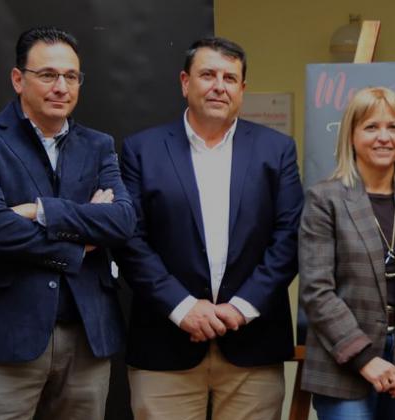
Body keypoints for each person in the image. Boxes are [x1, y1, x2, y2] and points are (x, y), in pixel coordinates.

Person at [0, 26, 135, 420]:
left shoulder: (98, 144)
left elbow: (120, 221)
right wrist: (79, 242)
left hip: (87, 335)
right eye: (47, 75)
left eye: (71, 76)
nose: (61, 87)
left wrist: (40, 211)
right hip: (4, 336)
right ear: (19, 80)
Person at [113, 36, 303, 420]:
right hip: (165, 346)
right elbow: (130, 240)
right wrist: (183, 308)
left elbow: (290, 239)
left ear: (242, 89)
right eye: (208, 75)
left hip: (252, 347)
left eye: (230, 78)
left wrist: (239, 308)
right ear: (185, 82)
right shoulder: (141, 150)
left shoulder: (276, 149)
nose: (219, 86)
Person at [299, 86, 395, 420]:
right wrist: (365, 358)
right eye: (371, 127)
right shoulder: (325, 199)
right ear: (351, 136)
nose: (384, 137)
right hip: (342, 362)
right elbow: (316, 291)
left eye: (392, 127)